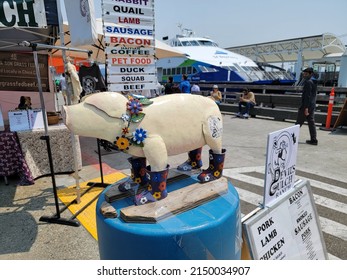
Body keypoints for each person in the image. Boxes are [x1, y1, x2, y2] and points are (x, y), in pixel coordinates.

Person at [295, 67, 318, 145]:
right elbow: (313, 95)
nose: (304, 75)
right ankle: (314, 140)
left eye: (306, 74)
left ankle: (291, 138)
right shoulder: (314, 82)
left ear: (311, 74)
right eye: (304, 73)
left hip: (306, 106)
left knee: (298, 123)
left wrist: (306, 108)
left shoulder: (308, 82)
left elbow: (307, 96)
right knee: (311, 122)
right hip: (312, 105)